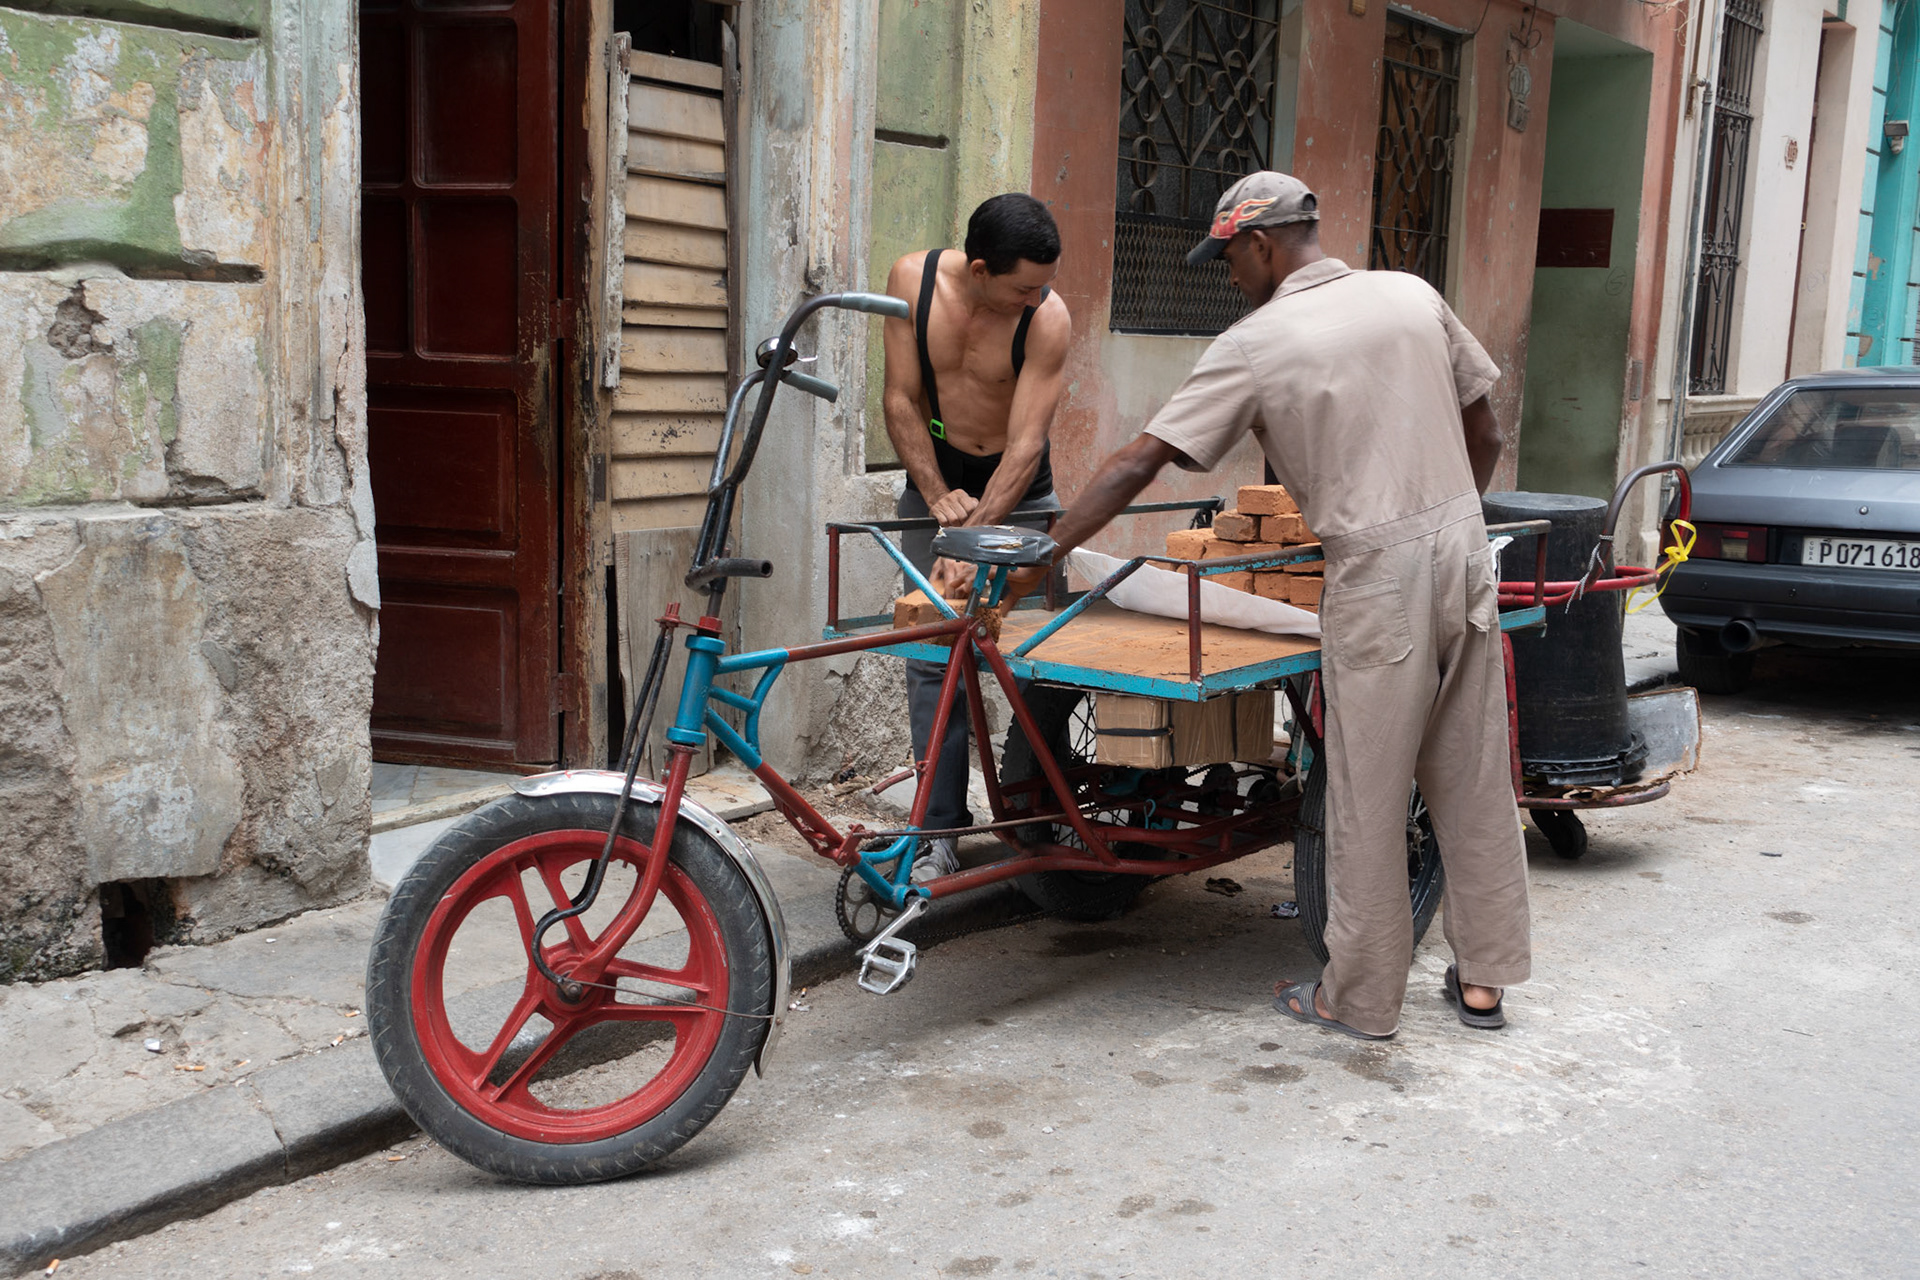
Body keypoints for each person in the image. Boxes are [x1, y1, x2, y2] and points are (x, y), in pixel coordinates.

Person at [999, 172, 1528, 1036]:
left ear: (1260, 243)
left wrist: (1041, 557)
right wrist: (1446, 522)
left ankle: (1356, 1001)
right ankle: (1486, 981)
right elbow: (1489, 430)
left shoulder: (1258, 340)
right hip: (1467, 547)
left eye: (1228, 260)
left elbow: (1139, 462)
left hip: (1375, 571)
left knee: (1366, 789)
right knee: (1472, 769)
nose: (1228, 277)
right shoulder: (1411, 294)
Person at [881, 193, 1071, 881]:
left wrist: (972, 539)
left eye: (1042, 284)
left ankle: (1043, 810)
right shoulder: (912, 281)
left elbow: (1026, 444)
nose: (1037, 296)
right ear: (983, 268)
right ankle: (936, 831)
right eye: (1023, 285)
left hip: (1017, 491)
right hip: (937, 479)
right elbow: (900, 397)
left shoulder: (1046, 319)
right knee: (931, 654)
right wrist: (935, 501)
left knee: (1030, 651)